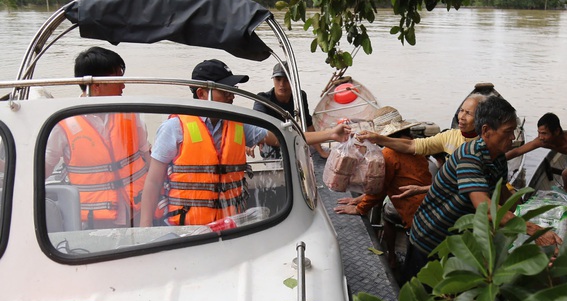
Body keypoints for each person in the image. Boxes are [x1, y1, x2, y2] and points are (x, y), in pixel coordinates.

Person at [139, 59, 350, 227]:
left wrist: (331, 134)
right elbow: (153, 182)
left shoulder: (239, 124)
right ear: (202, 93)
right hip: (186, 229)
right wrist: (145, 228)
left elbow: (281, 138)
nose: (232, 96)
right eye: (226, 91)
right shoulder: (174, 128)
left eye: (234, 89)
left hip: (231, 226)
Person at [402, 97, 562, 282]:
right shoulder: (470, 157)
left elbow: (503, 198)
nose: (512, 138)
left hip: (462, 241)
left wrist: (528, 217)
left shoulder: (498, 157)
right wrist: (534, 230)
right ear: (486, 130)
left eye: (514, 132)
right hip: (430, 239)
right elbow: (486, 209)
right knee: (422, 296)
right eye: (508, 132)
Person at [45, 46, 151, 228]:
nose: (124, 85)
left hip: (136, 213)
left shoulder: (130, 113)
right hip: (94, 221)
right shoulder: (62, 122)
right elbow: (42, 169)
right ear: (96, 85)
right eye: (118, 79)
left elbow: (147, 156)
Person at [334, 106, 433, 269]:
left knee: (417, 266)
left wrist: (360, 208)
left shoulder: (389, 154)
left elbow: (379, 190)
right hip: (429, 206)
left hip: (415, 216)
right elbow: (392, 183)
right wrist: (360, 198)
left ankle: (394, 260)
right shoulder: (416, 145)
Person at [357, 93, 488, 198]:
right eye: (461, 111)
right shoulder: (449, 136)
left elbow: (472, 185)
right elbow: (412, 146)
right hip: (446, 192)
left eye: (468, 113)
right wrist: (377, 138)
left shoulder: (485, 145)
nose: (461, 117)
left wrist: (421, 189)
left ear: (481, 118)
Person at [253, 61, 330, 159]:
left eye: (286, 80)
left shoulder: (300, 96)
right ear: (273, 80)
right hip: (271, 143)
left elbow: (308, 123)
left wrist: (321, 151)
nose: (282, 84)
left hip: (291, 138)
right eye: (278, 79)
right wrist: (251, 143)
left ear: (293, 81)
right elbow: (255, 125)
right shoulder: (263, 99)